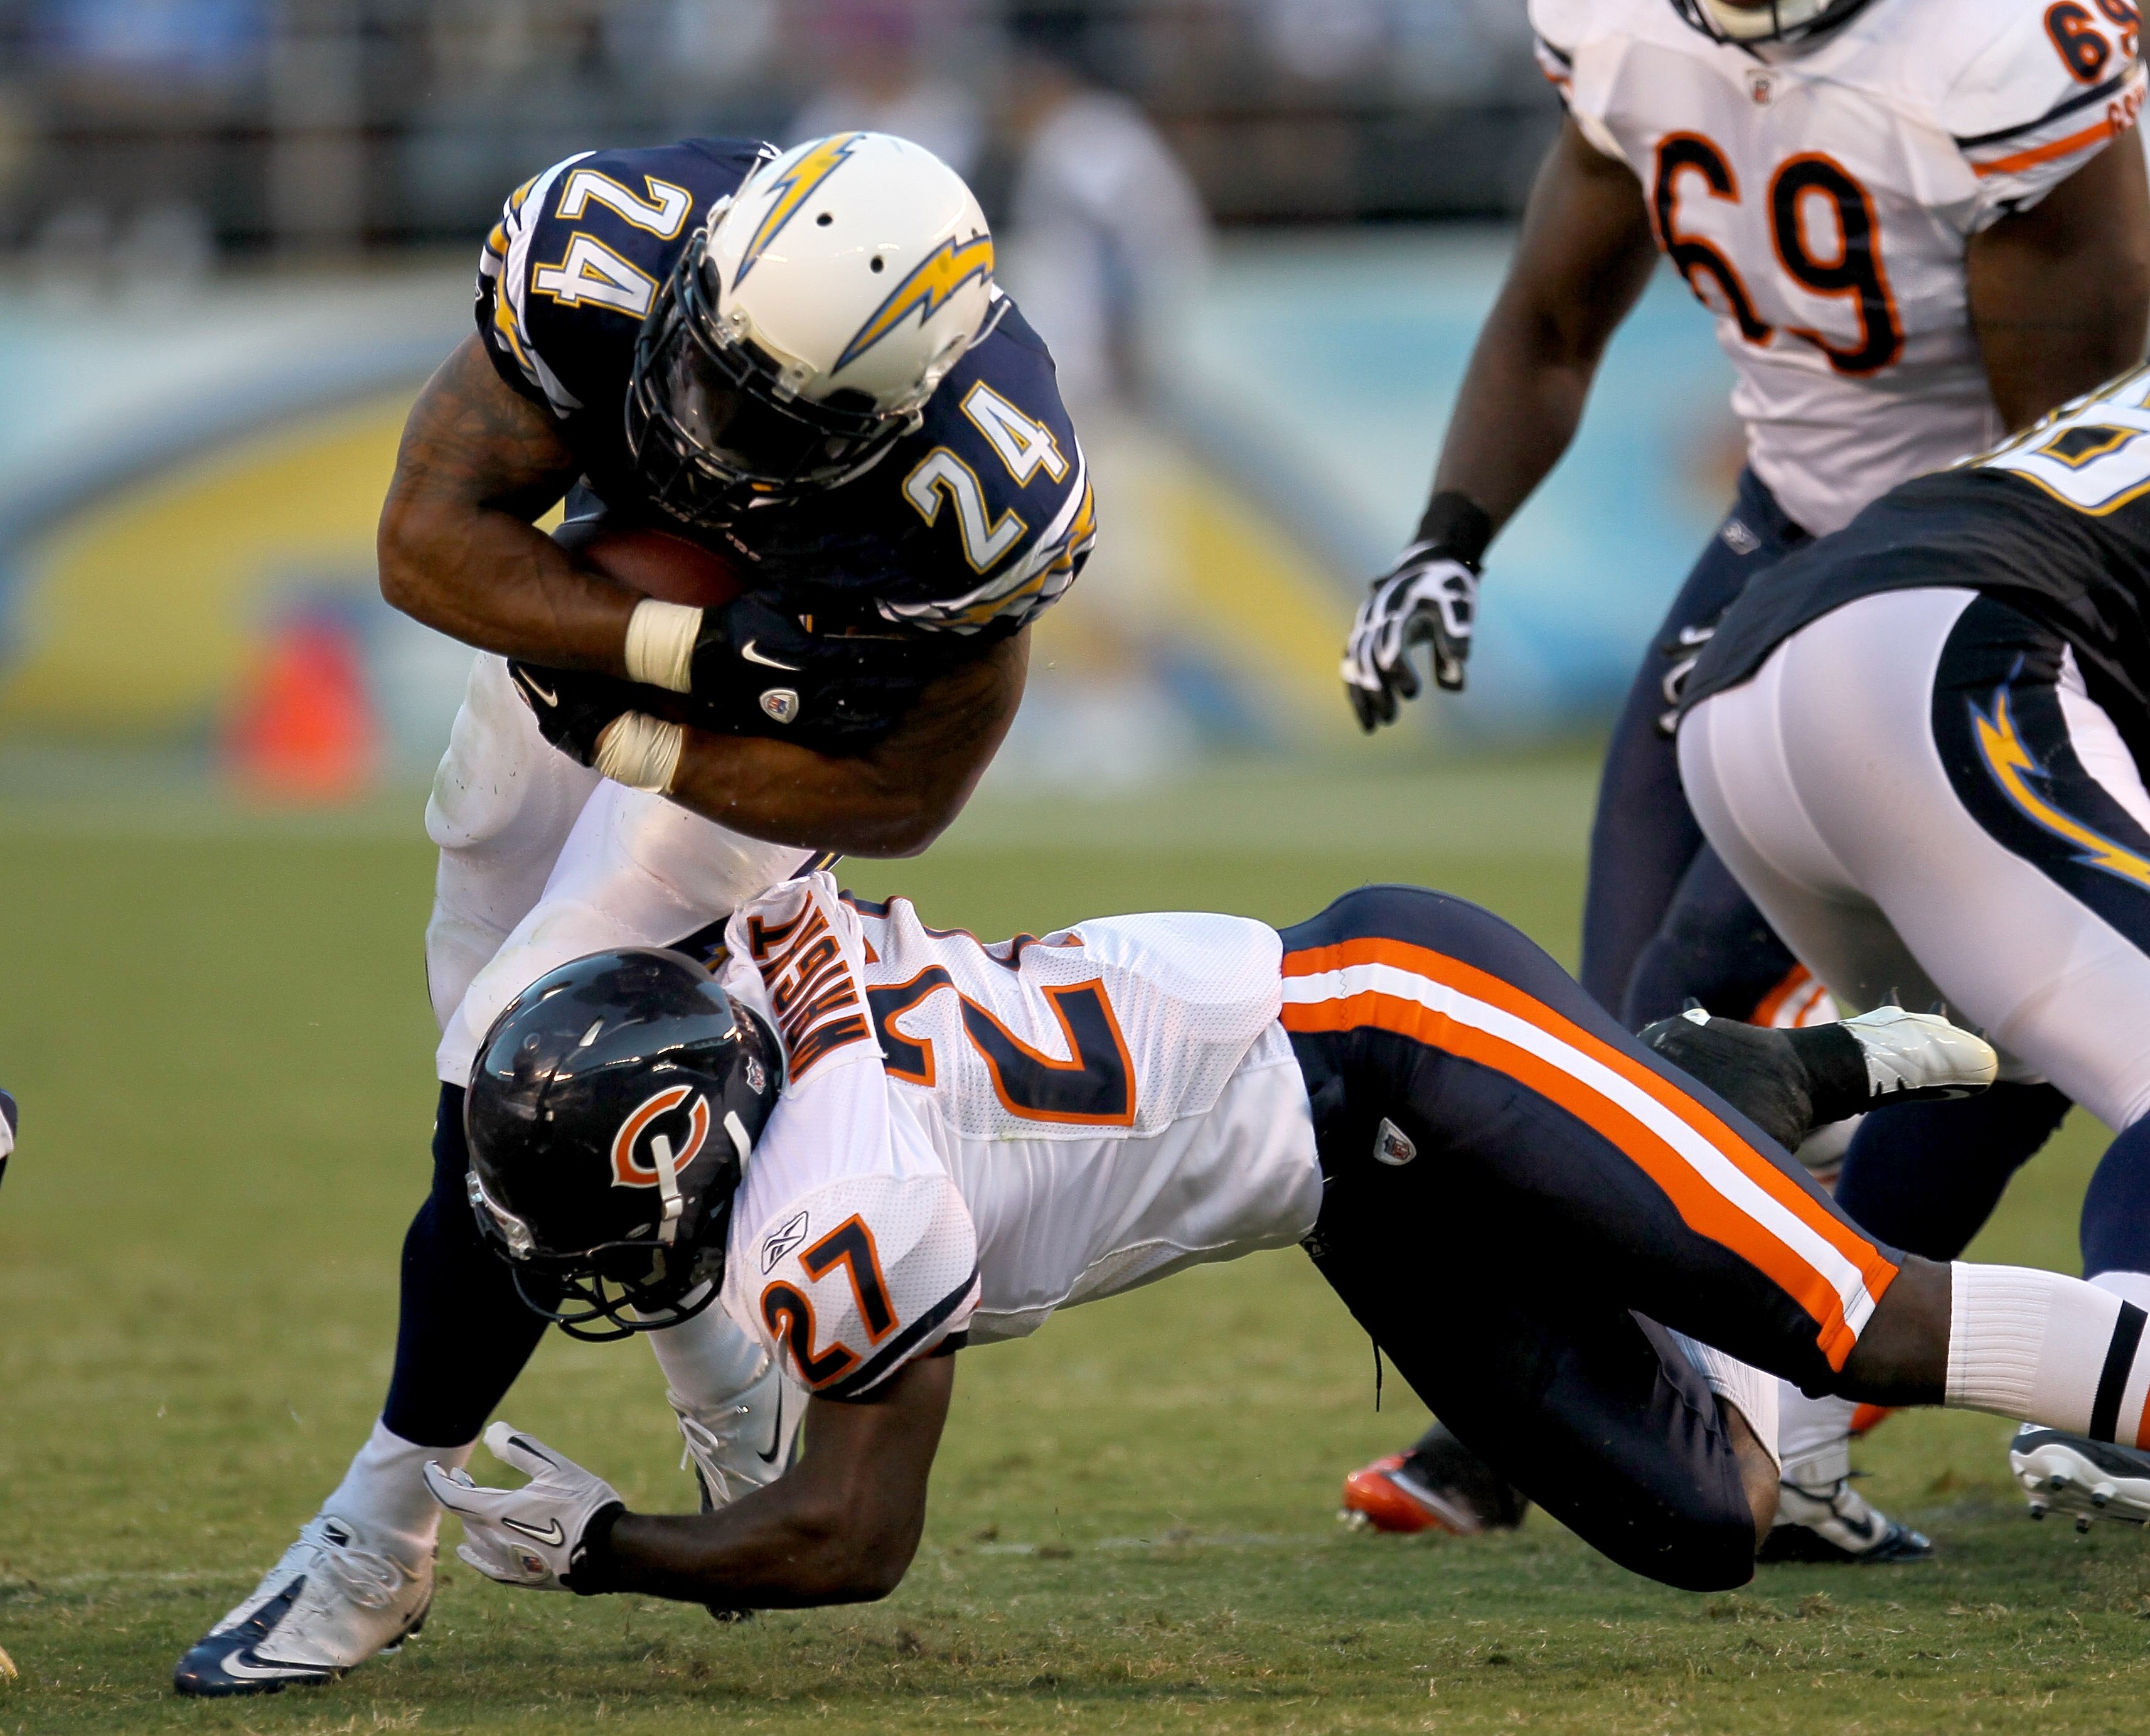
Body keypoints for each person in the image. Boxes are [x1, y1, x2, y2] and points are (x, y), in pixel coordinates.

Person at [173, 131, 1094, 1697]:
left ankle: (379, 1532)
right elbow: (424, 541)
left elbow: (903, 797)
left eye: (775, 421)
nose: (714, 432)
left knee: (516, 1072)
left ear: (898, 408)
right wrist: (681, 651)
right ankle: (728, 1384)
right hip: (621, 649)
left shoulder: (983, 491)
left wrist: (674, 737)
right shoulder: (608, 250)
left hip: (747, 753)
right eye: (716, 373)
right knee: (477, 942)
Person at [422, 874, 2132, 1622]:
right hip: (1348, 1187)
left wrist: (609, 1551)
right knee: (1705, 1525)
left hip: (1394, 1021)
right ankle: (1702, 1100)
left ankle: (1746, 1081)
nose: (598, 1266)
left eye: (603, 1222)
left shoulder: (840, 1206)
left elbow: (852, 1536)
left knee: (1861, 1321)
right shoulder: (751, 977)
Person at [1334, 0, 2150, 1554]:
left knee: (1824, 1034)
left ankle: (1731, 1419)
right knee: (1630, 1028)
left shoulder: (1987, 50)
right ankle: (1624, 1409)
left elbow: (2064, 424)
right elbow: (1553, 312)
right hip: (1842, 569)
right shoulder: (1633, 35)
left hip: (1956, 565)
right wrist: (1450, 534)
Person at [1677, 360, 2150, 1530]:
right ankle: (2125, 1369)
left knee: (1984, 1061)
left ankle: (1783, 1438)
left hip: (1757, 677)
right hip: (1959, 656)